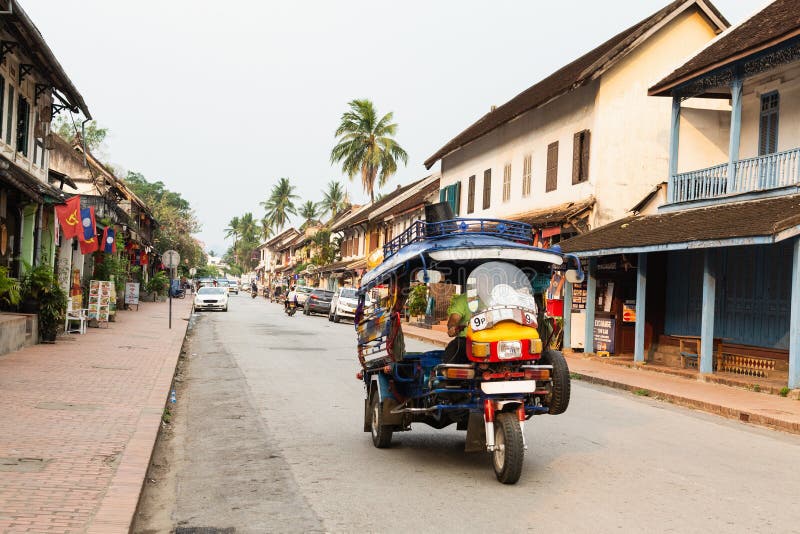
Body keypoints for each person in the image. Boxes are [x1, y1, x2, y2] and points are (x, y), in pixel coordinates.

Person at [444, 292, 469, 363]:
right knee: (452, 350)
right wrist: (452, 327)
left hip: (496, 339)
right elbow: (454, 318)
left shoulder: (497, 298)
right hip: (467, 339)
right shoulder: (463, 299)